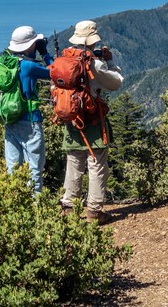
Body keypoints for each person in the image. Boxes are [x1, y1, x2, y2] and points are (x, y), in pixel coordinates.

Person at [59, 20, 123, 223]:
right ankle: (94, 210)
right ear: (93, 40)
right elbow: (116, 83)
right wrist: (111, 62)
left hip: (71, 119)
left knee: (74, 161)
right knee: (96, 163)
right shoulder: (94, 64)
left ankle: (69, 206)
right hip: (93, 119)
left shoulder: (64, 62)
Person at [5, 25, 53, 194]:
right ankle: (36, 210)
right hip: (30, 122)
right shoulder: (28, 66)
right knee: (34, 169)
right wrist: (45, 53)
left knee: (13, 169)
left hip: (9, 119)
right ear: (31, 45)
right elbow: (55, 72)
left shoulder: (3, 63)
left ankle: (14, 206)